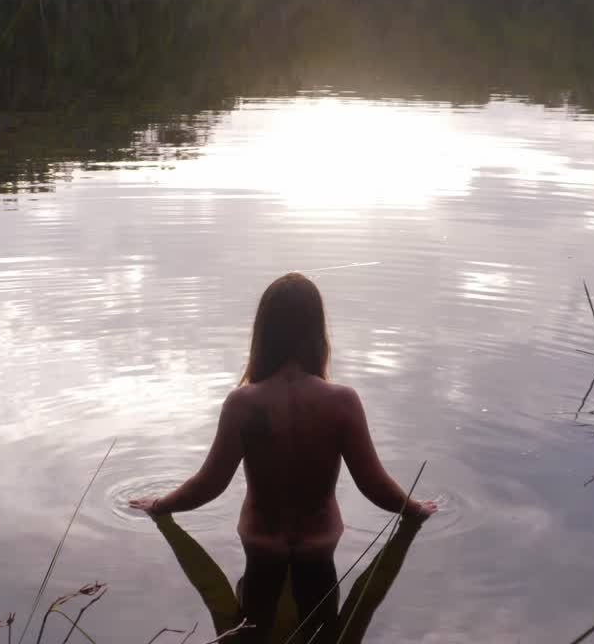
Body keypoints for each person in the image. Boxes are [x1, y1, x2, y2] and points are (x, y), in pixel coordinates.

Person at [130, 272, 436, 642]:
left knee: (245, 638)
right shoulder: (342, 402)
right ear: (317, 333)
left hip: (262, 546)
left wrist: (160, 506)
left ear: (263, 333)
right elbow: (374, 486)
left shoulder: (243, 403)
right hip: (318, 548)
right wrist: (415, 511)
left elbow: (208, 485)